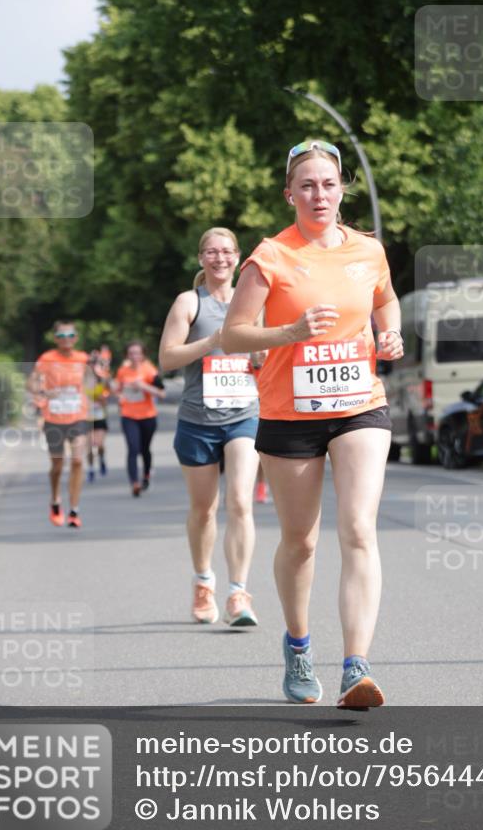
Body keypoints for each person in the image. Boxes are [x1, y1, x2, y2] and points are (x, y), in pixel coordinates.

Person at [221, 140, 404, 708]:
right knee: (300, 543)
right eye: (307, 185)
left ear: (342, 187)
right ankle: (298, 645)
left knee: (358, 529)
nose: (318, 194)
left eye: (327, 183)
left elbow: (386, 299)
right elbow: (233, 334)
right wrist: (290, 334)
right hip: (289, 411)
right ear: (290, 195)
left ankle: (356, 667)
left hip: (359, 404)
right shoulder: (269, 257)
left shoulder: (368, 251)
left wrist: (389, 331)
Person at [159, 227, 262, 627]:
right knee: (204, 510)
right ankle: (204, 582)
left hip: (244, 414)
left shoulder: (251, 301)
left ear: (238, 258)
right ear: (201, 259)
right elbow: (167, 358)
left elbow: (266, 355)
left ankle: (238, 592)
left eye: (227, 252)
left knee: (240, 501)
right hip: (198, 418)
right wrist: (214, 341)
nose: (220, 258)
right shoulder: (189, 302)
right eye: (211, 252)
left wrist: (262, 356)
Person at [29, 320, 92, 528]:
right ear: (56, 338)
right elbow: (32, 382)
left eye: (70, 335)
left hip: (78, 416)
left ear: (76, 338)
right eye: (62, 336)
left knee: (77, 461)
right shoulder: (47, 358)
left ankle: (74, 509)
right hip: (54, 418)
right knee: (57, 465)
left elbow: (96, 382)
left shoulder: (83, 358)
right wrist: (44, 392)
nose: (67, 340)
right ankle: (55, 499)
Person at [113, 341, 166, 496]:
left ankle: (147, 474)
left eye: (137, 353)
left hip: (148, 416)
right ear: (127, 355)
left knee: (144, 449)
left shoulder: (150, 370)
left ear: (143, 354)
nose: (134, 356)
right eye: (131, 353)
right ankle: (134, 483)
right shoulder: (122, 371)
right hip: (128, 415)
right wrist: (119, 395)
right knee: (133, 448)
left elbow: (162, 393)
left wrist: (144, 386)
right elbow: (118, 390)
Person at [85, 348, 111, 482]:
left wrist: (100, 397)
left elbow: (106, 399)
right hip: (85, 417)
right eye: (89, 362)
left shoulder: (102, 380)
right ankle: (90, 468)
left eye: (94, 362)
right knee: (89, 446)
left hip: (100, 416)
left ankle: (101, 459)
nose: (91, 365)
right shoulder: (81, 381)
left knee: (99, 444)